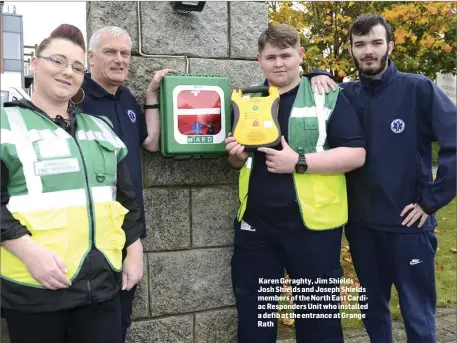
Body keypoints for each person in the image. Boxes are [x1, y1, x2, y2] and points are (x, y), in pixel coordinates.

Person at [0, 24, 144, 343]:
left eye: (77, 67)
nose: (68, 71)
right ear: (34, 64)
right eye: (58, 61)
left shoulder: (101, 128)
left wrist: (134, 249)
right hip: (36, 290)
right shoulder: (5, 124)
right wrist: (26, 251)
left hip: (102, 288)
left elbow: (126, 200)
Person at [225, 24, 366, 343]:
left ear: (300, 56)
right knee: (254, 320)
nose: (279, 63)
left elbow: (356, 154)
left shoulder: (326, 95)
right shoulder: (248, 99)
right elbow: (242, 161)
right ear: (259, 60)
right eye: (271, 56)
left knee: (319, 324)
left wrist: (298, 163)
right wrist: (234, 157)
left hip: (313, 230)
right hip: (256, 230)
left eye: (286, 55)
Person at [342, 14, 456, 343]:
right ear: (351, 49)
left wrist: (431, 201)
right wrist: (320, 75)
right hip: (362, 228)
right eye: (360, 44)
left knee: (417, 314)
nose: (368, 51)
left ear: (390, 45)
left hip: (409, 227)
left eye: (376, 43)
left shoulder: (418, 89)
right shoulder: (346, 95)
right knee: (373, 312)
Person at [73, 26, 173, 342]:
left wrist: (152, 94)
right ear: (90, 57)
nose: (119, 59)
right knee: (89, 325)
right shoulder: (77, 99)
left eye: (125, 53)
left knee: (120, 320)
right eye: (110, 52)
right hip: (90, 237)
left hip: (128, 232)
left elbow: (151, 142)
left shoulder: (127, 97)